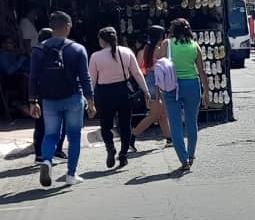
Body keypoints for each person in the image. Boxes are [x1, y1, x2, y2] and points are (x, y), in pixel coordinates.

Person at [28, 11, 96, 187]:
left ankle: (47, 161)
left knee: (50, 135)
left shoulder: (38, 49)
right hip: (73, 98)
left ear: (52, 27)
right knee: (74, 136)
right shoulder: (77, 49)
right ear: (67, 27)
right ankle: (71, 175)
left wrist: (32, 101)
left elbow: (33, 77)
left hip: (49, 100)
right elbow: (85, 77)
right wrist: (91, 101)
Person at [89, 27, 150, 169]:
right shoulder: (126, 52)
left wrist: (90, 100)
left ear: (102, 40)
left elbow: (91, 80)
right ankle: (123, 154)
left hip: (104, 93)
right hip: (124, 91)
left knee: (105, 125)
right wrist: (145, 90)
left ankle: (110, 147)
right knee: (125, 125)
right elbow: (137, 73)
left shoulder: (96, 57)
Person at [155, 18, 210, 171]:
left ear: (172, 30)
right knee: (192, 122)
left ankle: (183, 160)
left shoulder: (167, 43)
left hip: (171, 86)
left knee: (175, 124)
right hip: (192, 85)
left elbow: (159, 62)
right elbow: (202, 71)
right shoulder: (195, 45)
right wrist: (206, 91)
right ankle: (191, 155)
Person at [132, 26, 172, 145]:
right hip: (157, 81)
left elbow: (139, 68)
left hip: (148, 80)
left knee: (162, 113)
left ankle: (169, 138)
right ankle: (133, 135)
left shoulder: (144, 50)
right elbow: (164, 63)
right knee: (154, 115)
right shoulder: (158, 49)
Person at [31, 28, 66, 163]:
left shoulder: (37, 52)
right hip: (55, 93)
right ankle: (56, 151)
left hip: (42, 93)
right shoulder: (58, 52)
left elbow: (33, 78)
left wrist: (32, 99)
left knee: (40, 125)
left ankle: (40, 154)